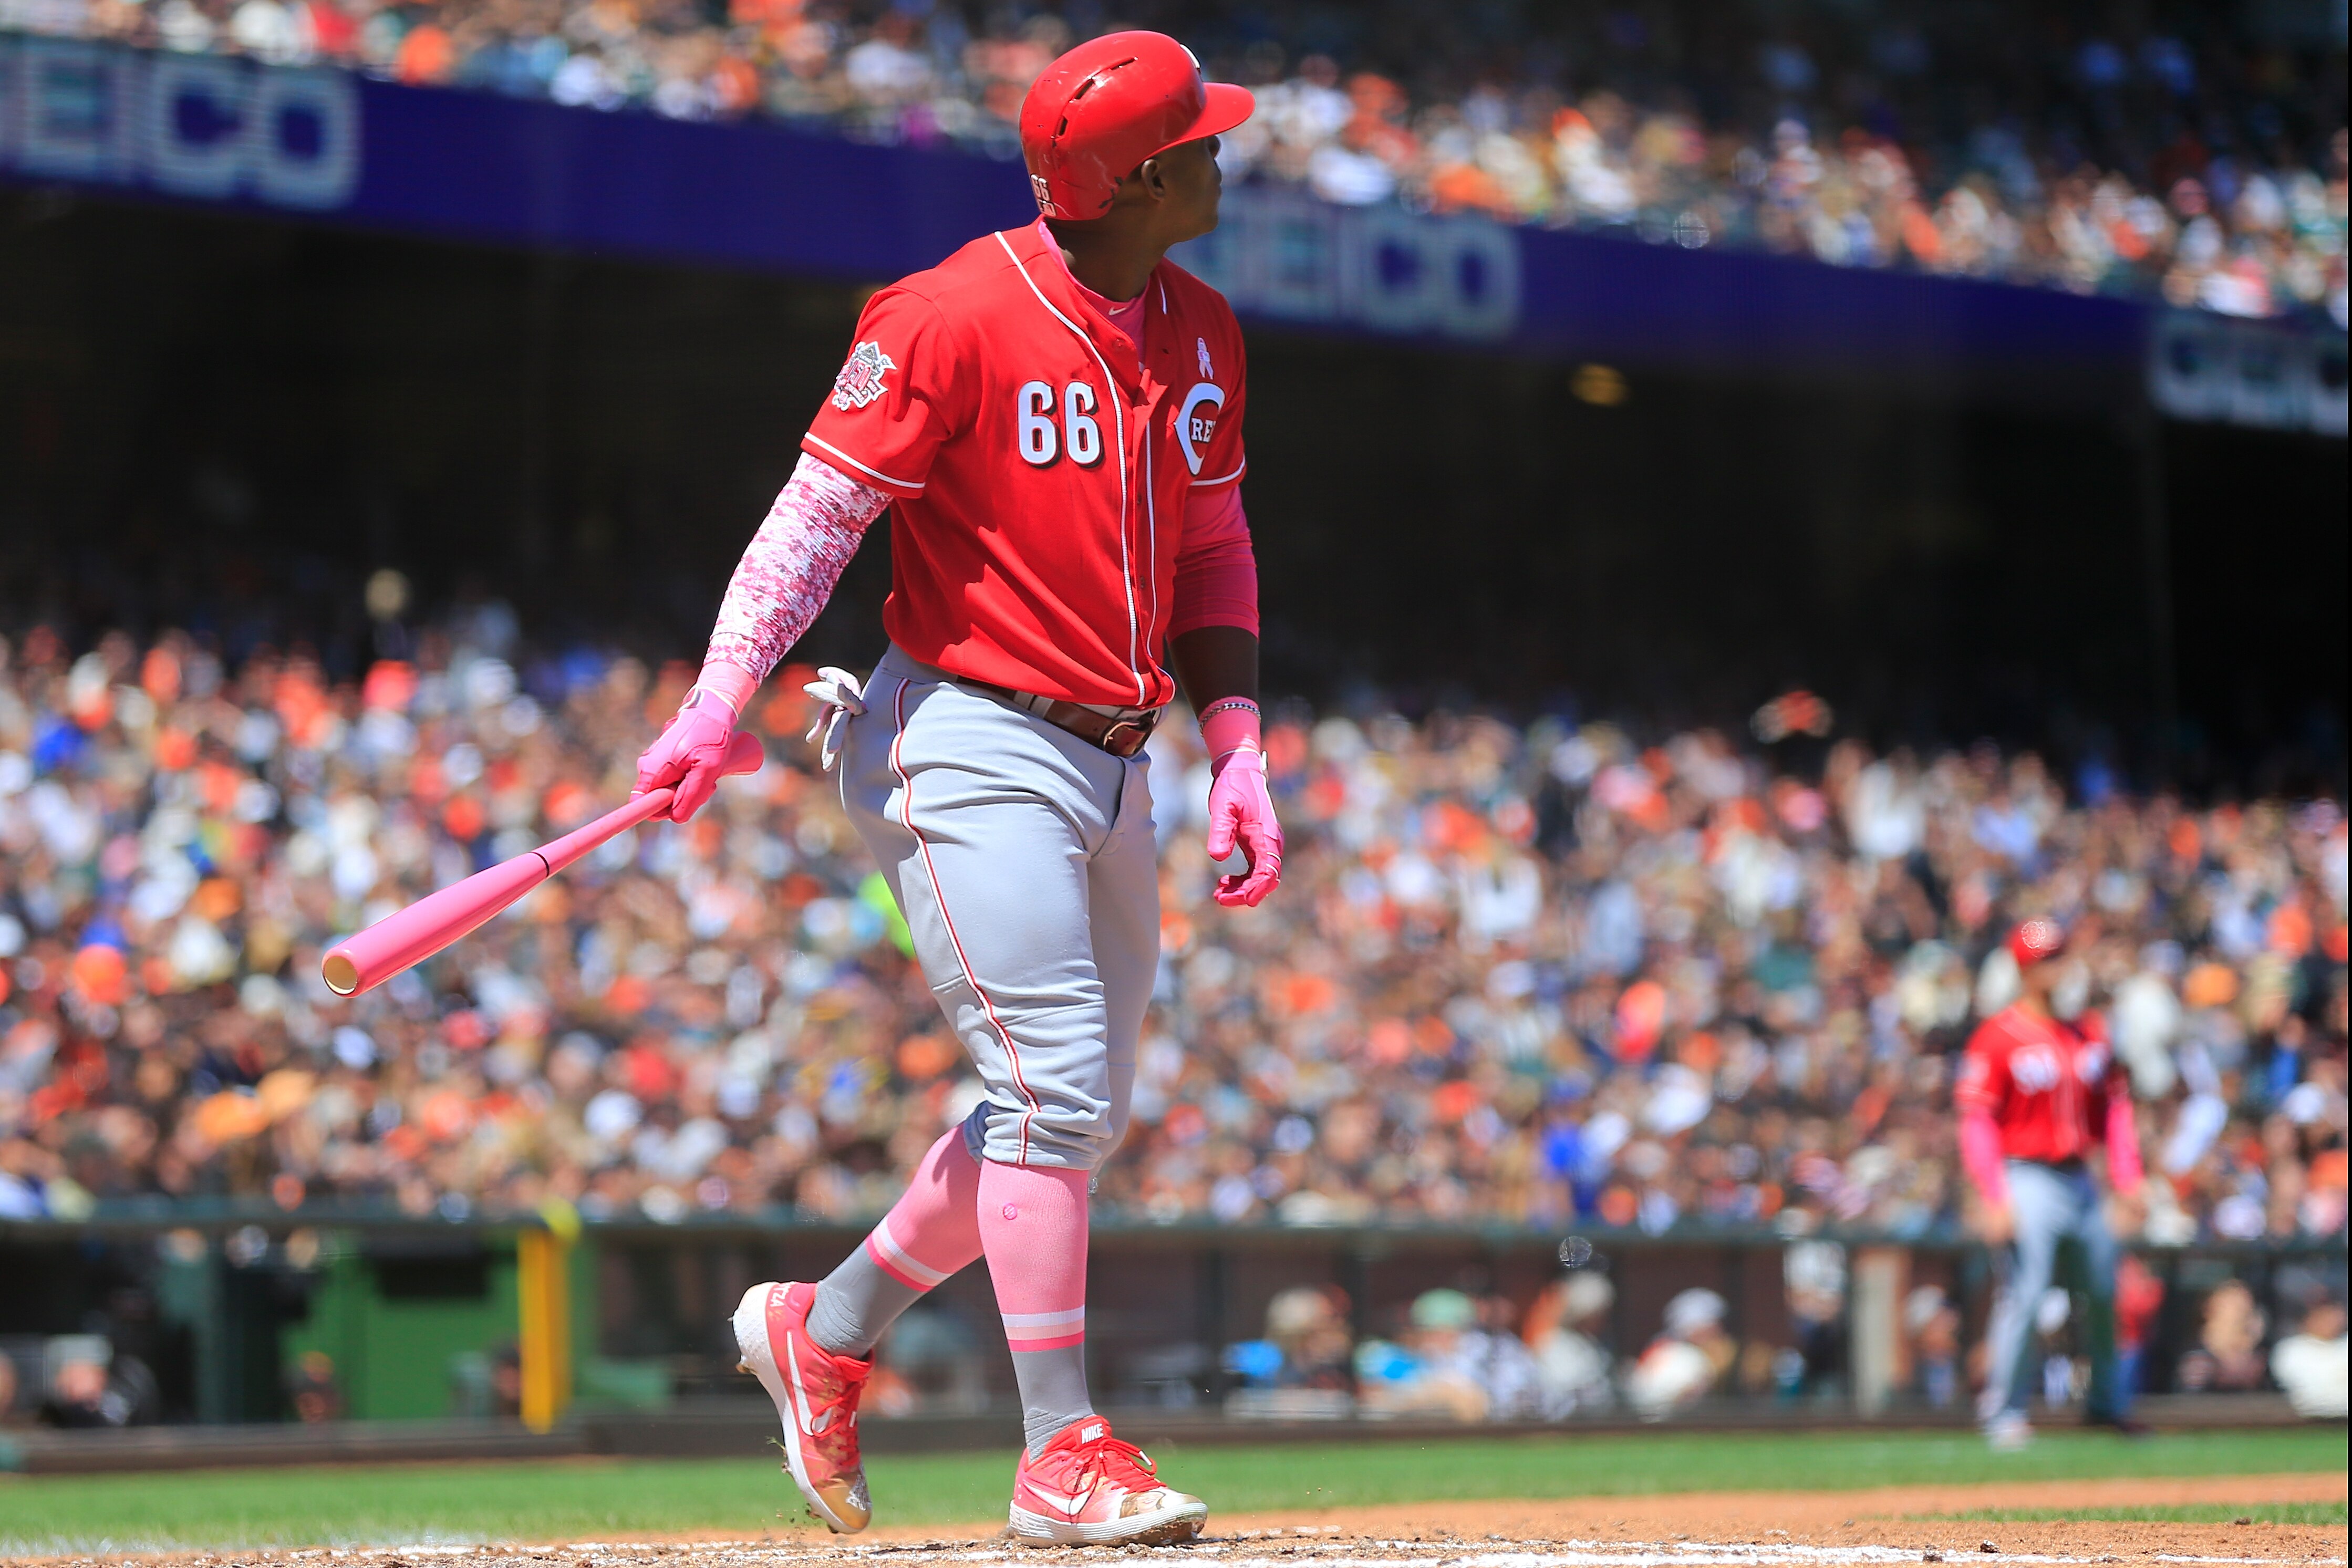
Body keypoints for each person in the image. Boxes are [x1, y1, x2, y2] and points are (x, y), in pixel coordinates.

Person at [630, 29, 1273, 1545]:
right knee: (1051, 1089)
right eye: (1198, 140)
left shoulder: (1202, 327)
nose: (1221, 152)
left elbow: (1211, 546)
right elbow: (816, 520)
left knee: (1067, 1114)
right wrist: (719, 696)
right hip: (967, 732)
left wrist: (1240, 742)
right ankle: (1061, 1452)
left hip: (1117, 752)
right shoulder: (948, 313)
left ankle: (824, 1328)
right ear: (1138, 178)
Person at [1958, 917, 2149, 1448]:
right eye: (2047, 959)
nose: (2059, 968)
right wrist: (1993, 1194)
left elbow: (2115, 1109)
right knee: (2026, 1292)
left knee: (2104, 1290)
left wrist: (2127, 1178)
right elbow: (1977, 1121)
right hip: (2026, 1175)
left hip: (2080, 1177)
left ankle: (2107, 1405)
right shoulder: (1997, 1037)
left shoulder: (2089, 1032)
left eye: (2061, 955)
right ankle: (2003, 1411)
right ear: (2025, 969)